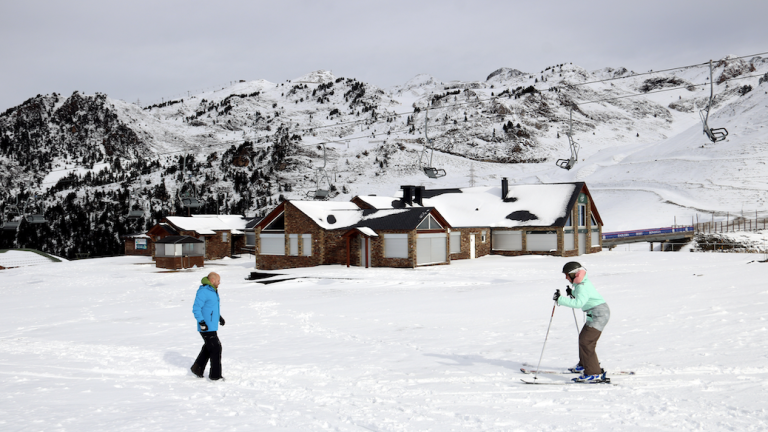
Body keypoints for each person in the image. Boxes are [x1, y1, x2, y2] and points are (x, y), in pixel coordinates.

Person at [553, 262, 610, 383]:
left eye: (567, 275)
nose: (566, 277)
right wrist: (572, 293)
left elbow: (579, 303)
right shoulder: (582, 284)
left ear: (574, 274)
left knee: (586, 342)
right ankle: (584, 364)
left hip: (598, 315)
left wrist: (560, 299)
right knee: (583, 339)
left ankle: (593, 373)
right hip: (595, 314)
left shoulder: (582, 285)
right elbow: (584, 296)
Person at [190, 272, 226, 381]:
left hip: (211, 325)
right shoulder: (204, 291)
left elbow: (212, 307)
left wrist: (219, 317)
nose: (219, 283)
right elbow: (196, 308)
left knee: (209, 346)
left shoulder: (212, 290)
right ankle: (215, 376)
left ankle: (197, 368)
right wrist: (201, 322)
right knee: (216, 348)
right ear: (212, 280)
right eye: (218, 280)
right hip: (205, 326)